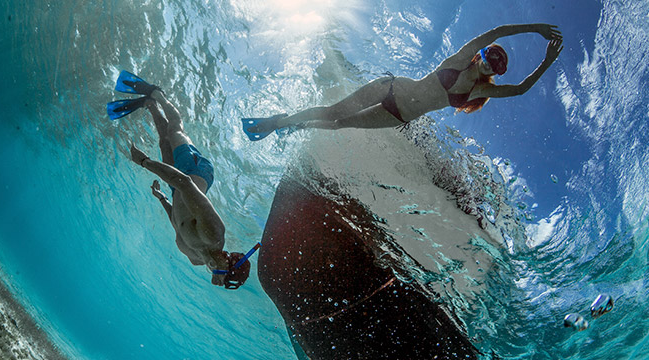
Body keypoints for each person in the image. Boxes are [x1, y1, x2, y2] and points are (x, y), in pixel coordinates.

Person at [241, 23, 563, 140]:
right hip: (391, 88)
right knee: (331, 111)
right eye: (491, 55)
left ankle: (296, 127)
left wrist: (547, 62)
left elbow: (521, 89)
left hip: (398, 116)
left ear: (495, 73)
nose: (491, 62)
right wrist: (535, 29)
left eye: (497, 64)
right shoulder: (460, 59)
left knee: (339, 125)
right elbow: (496, 32)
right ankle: (278, 121)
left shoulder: (479, 90)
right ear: (482, 54)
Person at [125, 82, 251, 289]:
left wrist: (163, 199)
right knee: (174, 131)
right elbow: (185, 183)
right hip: (195, 172)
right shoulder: (213, 233)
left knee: (164, 144)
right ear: (229, 262)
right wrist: (144, 162)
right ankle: (159, 94)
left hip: (176, 190)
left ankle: (150, 105)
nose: (213, 277)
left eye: (217, 280)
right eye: (220, 276)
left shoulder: (196, 258)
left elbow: (178, 224)